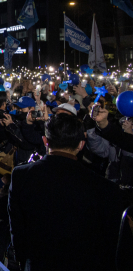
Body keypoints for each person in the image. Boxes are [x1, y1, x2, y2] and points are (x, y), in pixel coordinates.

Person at [8, 113, 126, 271]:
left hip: (39, 262)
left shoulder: (21, 175)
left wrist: (22, 260)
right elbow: (111, 241)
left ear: (45, 141)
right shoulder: (104, 187)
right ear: (81, 145)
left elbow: (17, 227)